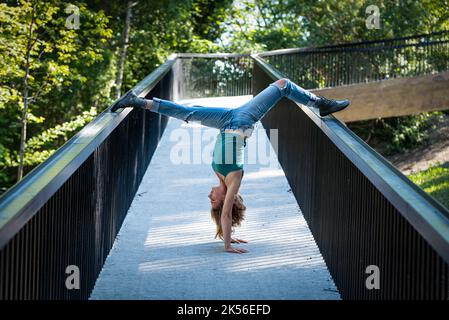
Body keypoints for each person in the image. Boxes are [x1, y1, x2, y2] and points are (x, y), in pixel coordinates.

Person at [111, 78, 350, 254]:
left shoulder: (218, 173)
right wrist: (227, 245)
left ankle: (135, 101)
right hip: (244, 118)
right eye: (213, 199)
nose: (209, 195)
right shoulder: (235, 178)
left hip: (226, 121)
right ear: (228, 198)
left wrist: (229, 235)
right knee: (283, 85)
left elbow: (225, 217)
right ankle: (320, 104)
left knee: (187, 112)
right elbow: (226, 214)